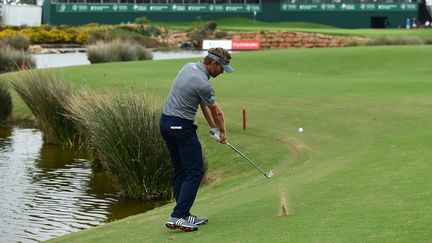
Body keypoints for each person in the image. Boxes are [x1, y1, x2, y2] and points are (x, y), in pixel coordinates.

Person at [159, 47, 233, 232]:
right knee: (195, 171)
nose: (222, 72)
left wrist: (213, 128)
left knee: (181, 170)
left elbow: (201, 103)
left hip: (166, 123)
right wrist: (223, 132)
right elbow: (217, 111)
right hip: (181, 127)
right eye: (222, 68)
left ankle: (183, 214)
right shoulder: (204, 84)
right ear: (214, 64)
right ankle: (177, 216)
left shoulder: (188, 66)